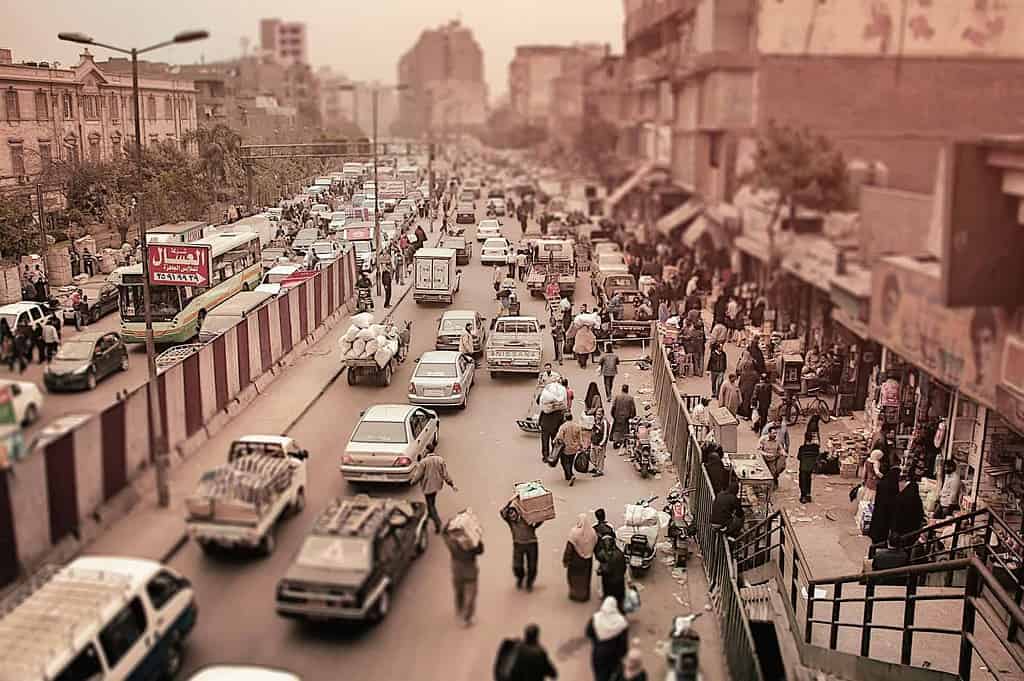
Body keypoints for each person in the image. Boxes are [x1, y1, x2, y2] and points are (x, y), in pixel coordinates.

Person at [442, 518, 484, 627]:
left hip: (456, 570)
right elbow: (480, 550)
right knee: (470, 595)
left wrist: (452, 524)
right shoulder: (470, 545)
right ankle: (466, 617)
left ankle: (459, 610)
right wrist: (476, 537)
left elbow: (444, 532)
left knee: (459, 592)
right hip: (470, 571)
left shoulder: (450, 542)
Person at [409, 450, 457, 534]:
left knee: (430, 504)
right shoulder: (440, 460)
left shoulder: (423, 462)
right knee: (432, 502)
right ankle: (431, 514)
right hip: (437, 486)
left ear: (426, 452)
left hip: (427, 488)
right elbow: (445, 475)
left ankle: (437, 522)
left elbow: (418, 475)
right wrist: (452, 484)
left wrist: (412, 482)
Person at [500, 500, 543, 591]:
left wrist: (540, 519)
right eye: (510, 515)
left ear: (517, 512)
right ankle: (520, 578)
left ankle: (529, 583)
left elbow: (538, 521)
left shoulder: (527, 518)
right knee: (517, 566)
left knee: (532, 567)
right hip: (518, 545)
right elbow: (502, 512)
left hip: (532, 544)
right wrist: (509, 502)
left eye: (513, 513)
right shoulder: (511, 523)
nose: (512, 516)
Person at [585, 597, 630, 681]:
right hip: (614, 656)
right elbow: (624, 645)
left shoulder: (595, 618)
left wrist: (596, 640)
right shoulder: (621, 622)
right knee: (614, 676)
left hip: (599, 654)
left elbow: (588, 633)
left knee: (600, 676)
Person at [563, 514, 598, 602]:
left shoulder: (574, 533)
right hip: (587, 561)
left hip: (575, 560)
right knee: (585, 578)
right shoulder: (592, 533)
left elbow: (569, 548)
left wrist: (565, 560)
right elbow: (595, 545)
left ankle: (574, 595)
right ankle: (584, 596)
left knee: (574, 578)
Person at [869, 465, 901, 545]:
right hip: (886, 515)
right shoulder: (893, 486)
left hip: (878, 511)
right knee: (881, 534)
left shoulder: (882, 482)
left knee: (876, 533)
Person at [595, 535, 627, 611]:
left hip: (609, 583)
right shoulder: (620, 553)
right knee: (619, 599)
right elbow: (624, 567)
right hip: (619, 581)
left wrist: (600, 571)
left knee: (609, 598)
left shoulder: (606, 555)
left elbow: (606, 570)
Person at [555, 413, 584, 486]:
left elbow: (559, 437)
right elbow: (580, 438)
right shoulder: (577, 426)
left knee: (564, 463)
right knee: (570, 462)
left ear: (565, 418)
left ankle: (570, 475)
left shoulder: (563, 426)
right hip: (574, 448)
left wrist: (554, 441)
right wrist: (580, 446)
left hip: (565, 448)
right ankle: (568, 475)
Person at [758, 424, 786, 488]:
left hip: (772, 459)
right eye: (773, 433)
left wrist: (783, 453)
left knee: (774, 472)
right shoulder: (763, 439)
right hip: (764, 459)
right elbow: (759, 450)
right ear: (769, 433)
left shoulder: (778, 440)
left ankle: (772, 484)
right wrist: (767, 454)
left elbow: (780, 449)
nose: (775, 435)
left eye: (776, 433)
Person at [610, 385, 636, 449]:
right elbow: (633, 409)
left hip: (617, 416)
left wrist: (613, 415)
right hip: (626, 418)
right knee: (625, 430)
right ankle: (623, 441)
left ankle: (616, 440)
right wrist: (632, 416)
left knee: (617, 429)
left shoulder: (617, 397)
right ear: (627, 390)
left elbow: (613, 407)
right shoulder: (630, 398)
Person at [797, 432, 820, 504]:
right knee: (808, 480)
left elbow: (799, 457)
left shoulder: (802, 448)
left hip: (803, 467)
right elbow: (817, 456)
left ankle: (803, 496)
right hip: (811, 468)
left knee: (803, 481)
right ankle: (808, 495)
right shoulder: (815, 448)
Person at [588, 408, 607, 476]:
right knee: (592, 457)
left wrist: (601, 444)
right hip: (594, 442)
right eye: (596, 414)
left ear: (602, 414)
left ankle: (599, 471)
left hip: (600, 443)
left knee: (600, 458)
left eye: (599, 414)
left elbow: (605, 434)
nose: (597, 416)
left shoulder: (604, 422)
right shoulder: (595, 421)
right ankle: (595, 468)